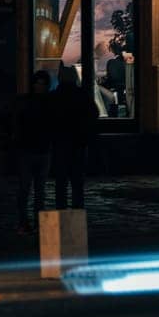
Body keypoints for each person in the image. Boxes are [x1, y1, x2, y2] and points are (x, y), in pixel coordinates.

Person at [49, 64, 96, 210]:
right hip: (78, 143)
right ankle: (77, 209)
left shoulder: (55, 97)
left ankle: (61, 209)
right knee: (77, 181)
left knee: (61, 180)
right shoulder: (82, 95)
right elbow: (94, 114)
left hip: (60, 143)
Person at [11, 71, 53, 232]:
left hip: (34, 150)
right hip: (34, 150)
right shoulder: (47, 103)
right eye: (37, 83)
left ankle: (28, 221)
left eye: (41, 84)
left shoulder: (26, 102)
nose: (39, 86)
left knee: (31, 189)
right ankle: (29, 221)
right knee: (32, 189)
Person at [98, 41, 127, 117]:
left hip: (115, 87)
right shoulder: (125, 62)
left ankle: (104, 112)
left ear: (112, 50)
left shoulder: (112, 62)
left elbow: (111, 79)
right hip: (123, 88)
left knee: (97, 89)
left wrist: (101, 83)